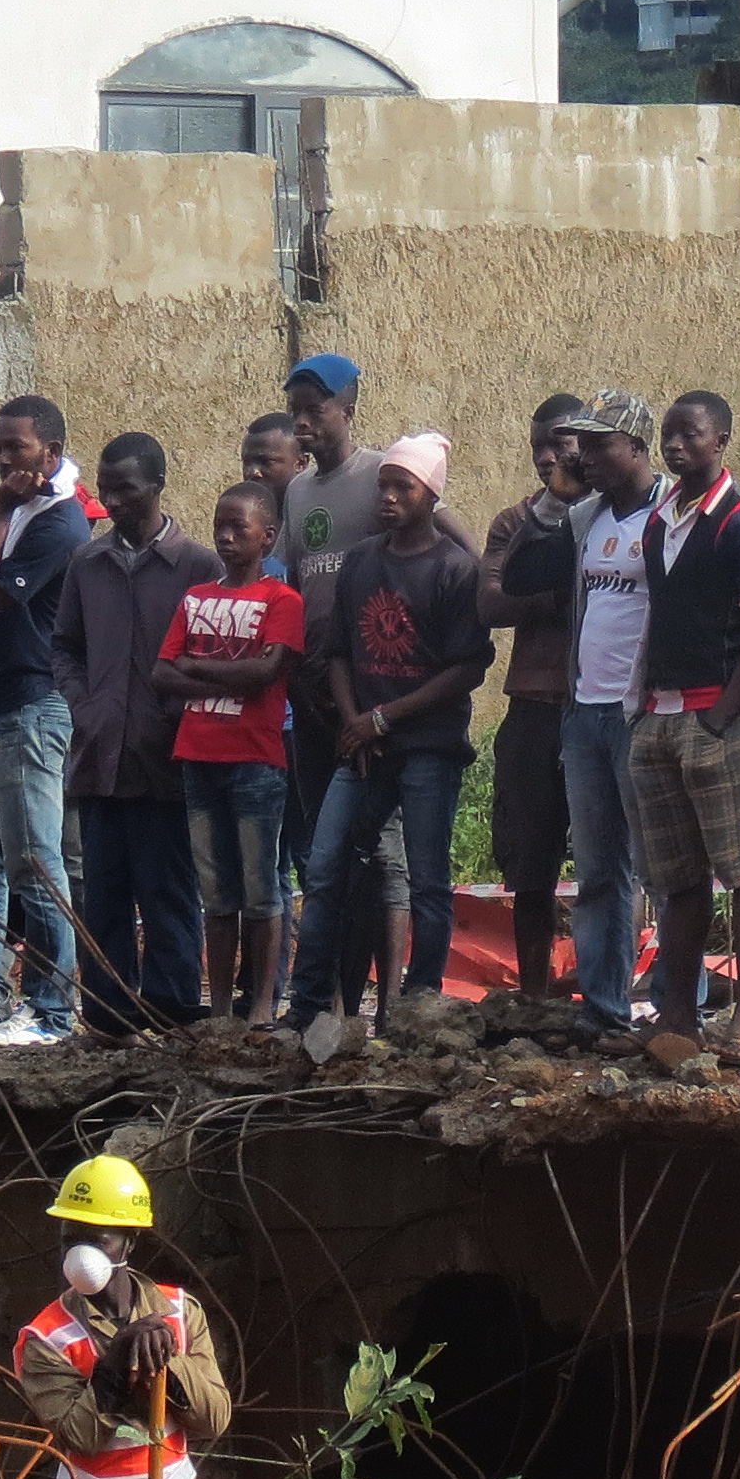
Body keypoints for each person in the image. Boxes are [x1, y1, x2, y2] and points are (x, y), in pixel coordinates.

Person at [285, 434, 492, 1045]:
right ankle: (308, 1005)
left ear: (432, 495)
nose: (389, 496)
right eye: (384, 484)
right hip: (364, 746)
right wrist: (356, 721)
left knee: (426, 878)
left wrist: (387, 718)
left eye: (403, 486)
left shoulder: (454, 571)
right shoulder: (362, 562)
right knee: (325, 868)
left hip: (427, 746)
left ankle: (418, 1006)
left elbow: (465, 670)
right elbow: (341, 651)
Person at [501, 392, 662, 1040]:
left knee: (664, 868)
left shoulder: (673, 511)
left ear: (638, 447)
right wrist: (555, 499)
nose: (585, 456)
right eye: (581, 445)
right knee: (598, 873)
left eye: (600, 445)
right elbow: (518, 577)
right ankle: (604, 1009)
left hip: (646, 716)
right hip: (586, 712)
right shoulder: (587, 516)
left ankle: (680, 1006)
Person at [629, 394, 740, 1058]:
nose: (675, 445)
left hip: (711, 715)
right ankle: (677, 1015)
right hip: (657, 718)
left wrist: (724, 716)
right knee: (677, 877)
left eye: (690, 434)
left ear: (721, 440)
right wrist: (640, 703)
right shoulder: (661, 518)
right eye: (668, 434)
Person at [55, 432, 218, 1038]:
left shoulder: (198, 567)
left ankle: (172, 1013)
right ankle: (107, 1015)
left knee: (168, 888)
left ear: (156, 486)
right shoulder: (87, 564)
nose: (114, 502)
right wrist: (85, 707)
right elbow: (64, 647)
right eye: (106, 489)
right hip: (100, 757)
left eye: (126, 489)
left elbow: (212, 655)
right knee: (104, 894)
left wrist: (178, 713)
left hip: (167, 760)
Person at [15, 1155, 230, 1479]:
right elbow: (79, 1434)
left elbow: (215, 1419)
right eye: (71, 1238)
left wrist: (168, 1360)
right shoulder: (47, 1338)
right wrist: (111, 1369)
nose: (81, 1254)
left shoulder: (180, 1314)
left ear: (129, 1243)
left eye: (98, 1238)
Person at [0, 395, 93, 1046]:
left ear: (53, 455)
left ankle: (52, 1012)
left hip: (36, 710)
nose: (5, 460)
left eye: (17, 448)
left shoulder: (57, 525)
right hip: (2, 710)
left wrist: (2, 510)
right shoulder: (29, 517)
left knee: (35, 865)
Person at [161, 482, 304, 1026]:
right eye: (219, 525)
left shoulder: (282, 600)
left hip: (256, 761)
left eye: (237, 527)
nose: (224, 536)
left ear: (267, 537)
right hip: (198, 757)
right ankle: (220, 1008)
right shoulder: (196, 597)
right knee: (216, 891)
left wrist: (194, 668)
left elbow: (268, 672)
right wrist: (224, 678)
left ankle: (263, 1005)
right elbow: (159, 673)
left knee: (261, 887)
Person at [479, 397, 587, 1004]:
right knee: (532, 866)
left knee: (606, 862)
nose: (549, 457)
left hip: (597, 707)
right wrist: (557, 597)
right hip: (532, 705)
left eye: (561, 443)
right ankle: (535, 992)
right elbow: (491, 604)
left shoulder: (611, 515)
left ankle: (606, 990)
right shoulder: (515, 521)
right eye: (538, 447)